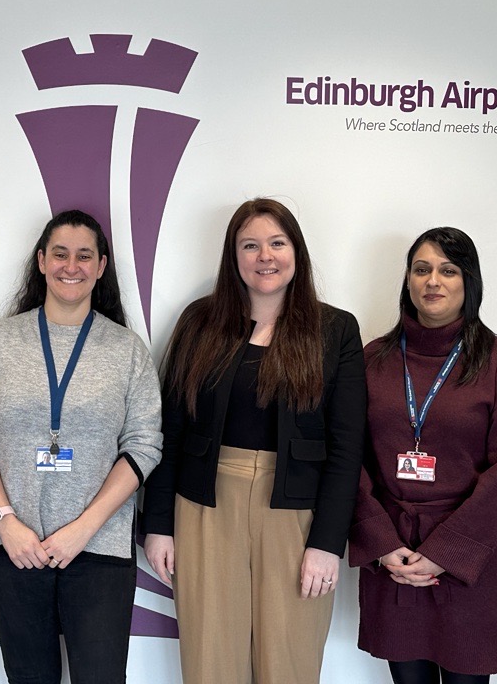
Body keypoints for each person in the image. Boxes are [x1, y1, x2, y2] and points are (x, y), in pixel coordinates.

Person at [142, 198, 367, 684]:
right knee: (210, 660)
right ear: (233, 256)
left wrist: (327, 542)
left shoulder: (336, 330)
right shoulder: (200, 322)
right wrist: (157, 523)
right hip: (205, 505)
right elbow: (171, 431)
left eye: (277, 243)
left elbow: (348, 449)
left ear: (296, 252)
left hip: (295, 514)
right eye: (250, 245)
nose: (265, 256)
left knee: (289, 660)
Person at [0, 210, 162, 684]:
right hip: (13, 547)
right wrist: (4, 521)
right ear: (42, 261)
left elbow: (145, 445)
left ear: (101, 265)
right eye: (61, 254)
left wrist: (82, 529)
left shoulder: (127, 350)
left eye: (84, 255)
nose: (72, 266)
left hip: (100, 549)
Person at [348, 227, 497, 684]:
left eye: (448, 270)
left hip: (470, 558)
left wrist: (445, 553)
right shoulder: (372, 359)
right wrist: (383, 545)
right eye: (422, 269)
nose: (433, 281)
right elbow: (347, 458)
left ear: (468, 283)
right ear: (408, 281)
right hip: (394, 554)